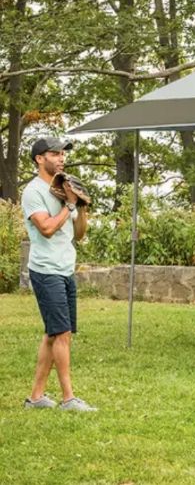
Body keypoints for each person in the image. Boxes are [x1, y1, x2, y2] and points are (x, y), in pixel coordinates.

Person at [22, 137, 96, 412]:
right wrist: (70, 206)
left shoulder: (63, 189)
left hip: (65, 269)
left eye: (63, 153)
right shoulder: (34, 192)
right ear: (39, 159)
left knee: (53, 334)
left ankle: (36, 397)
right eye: (55, 153)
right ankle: (68, 399)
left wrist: (81, 206)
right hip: (46, 270)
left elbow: (79, 233)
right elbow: (47, 229)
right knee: (62, 333)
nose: (62, 157)